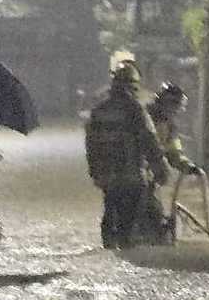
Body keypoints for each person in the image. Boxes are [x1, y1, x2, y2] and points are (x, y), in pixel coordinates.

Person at [85, 59, 169, 248]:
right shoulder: (135, 110)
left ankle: (109, 245)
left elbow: (91, 144)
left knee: (110, 209)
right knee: (129, 223)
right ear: (133, 86)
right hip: (131, 175)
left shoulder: (99, 111)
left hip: (107, 176)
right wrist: (160, 169)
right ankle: (126, 248)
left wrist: (95, 172)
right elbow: (149, 141)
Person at [135, 83, 202, 241]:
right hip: (135, 177)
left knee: (153, 216)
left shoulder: (169, 126)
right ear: (167, 103)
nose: (179, 111)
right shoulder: (142, 118)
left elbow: (174, 152)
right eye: (177, 107)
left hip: (149, 180)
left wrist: (187, 166)